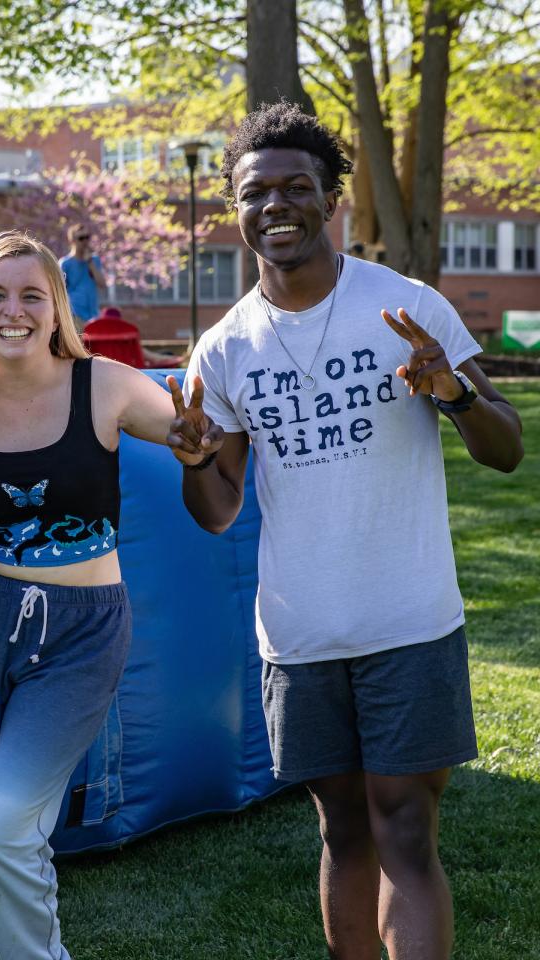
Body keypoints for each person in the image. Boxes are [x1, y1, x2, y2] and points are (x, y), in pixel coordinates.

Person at [168, 101, 524, 960]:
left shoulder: (405, 305)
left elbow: (505, 448)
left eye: (299, 187)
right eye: (258, 192)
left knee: (406, 829)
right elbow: (219, 510)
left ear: (331, 200)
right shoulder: (223, 350)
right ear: (237, 208)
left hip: (408, 619)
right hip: (300, 632)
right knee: (343, 833)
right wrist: (192, 459)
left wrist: (453, 391)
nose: (278, 205)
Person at [0, 231, 216, 960]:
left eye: (32, 294)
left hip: (81, 632)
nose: (13, 310)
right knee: (0, 832)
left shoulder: (105, 383)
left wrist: (194, 441)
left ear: (57, 306)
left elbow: (190, 436)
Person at [59, 222, 106, 325]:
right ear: (72, 240)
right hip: (74, 314)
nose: (85, 241)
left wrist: (90, 263)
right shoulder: (65, 263)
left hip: (93, 315)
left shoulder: (94, 260)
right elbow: (60, 291)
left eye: (87, 237)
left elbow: (102, 284)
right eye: (81, 238)